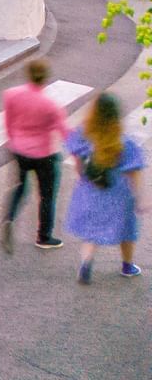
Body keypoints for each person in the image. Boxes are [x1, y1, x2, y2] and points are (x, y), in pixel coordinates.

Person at [63, 93, 144, 283]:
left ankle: (85, 263)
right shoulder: (125, 143)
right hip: (117, 193)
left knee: (92, 231)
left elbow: (76, 155)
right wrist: (139, 197)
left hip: (91, 189)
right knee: (126, 229)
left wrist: (80, 173)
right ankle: (127, 265)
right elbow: (133, 172)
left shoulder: (83, 133)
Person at [1, 58, 67, 252]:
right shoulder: (51, 106)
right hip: (44, 155)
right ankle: (44, 236)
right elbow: (65, 133)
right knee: (47, 196)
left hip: (19, 151)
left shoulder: (11, 95)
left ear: (28, 74)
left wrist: (13, 141)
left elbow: (8, 122)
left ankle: (9, 218)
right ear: (46, 77)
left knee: (20, 187)